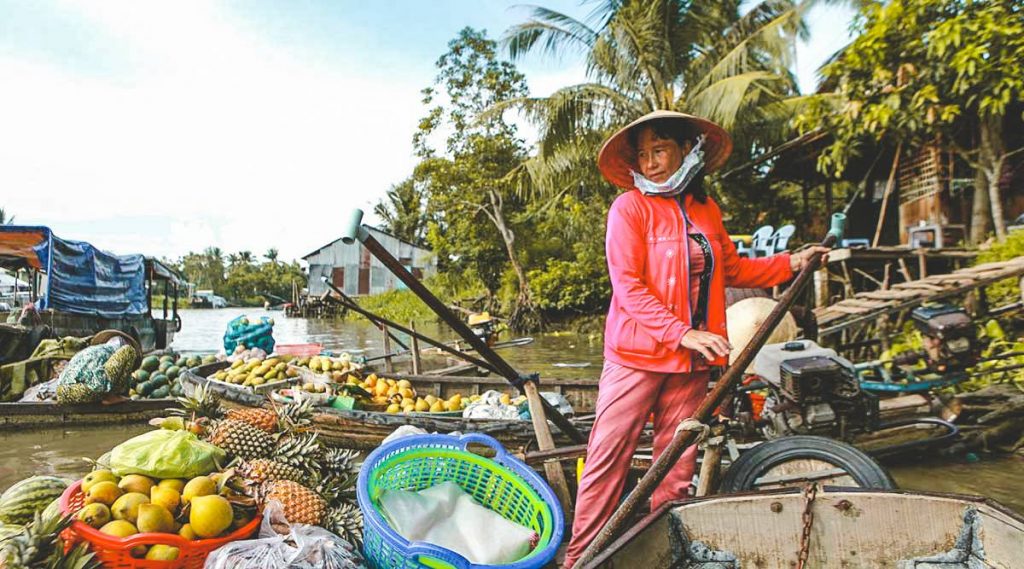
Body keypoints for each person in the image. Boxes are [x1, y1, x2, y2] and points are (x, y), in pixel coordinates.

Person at [563, 110, 828, 567]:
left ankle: (661, 551)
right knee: (608, 460)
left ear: (688, 150)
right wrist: (682, 333)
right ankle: (579, 559)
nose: (651, 163)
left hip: (690, 363)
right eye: (643, 155)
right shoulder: (630, 208)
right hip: (636, 357)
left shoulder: (705, 209)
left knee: (678, 466)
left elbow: (734, 269)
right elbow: (628, 288)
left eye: (660, 150)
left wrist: (793, 262)